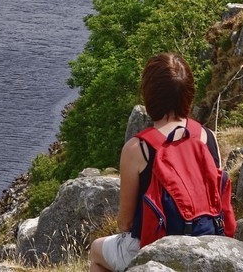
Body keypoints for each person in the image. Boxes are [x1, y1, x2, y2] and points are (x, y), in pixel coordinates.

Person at [88, 53, 235, 272]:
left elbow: (125, 223)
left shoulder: (138, 149)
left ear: (149, 94)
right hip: (209, 242)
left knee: (96, 251)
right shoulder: (208, 137)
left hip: (156, 247)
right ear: (188, 93)